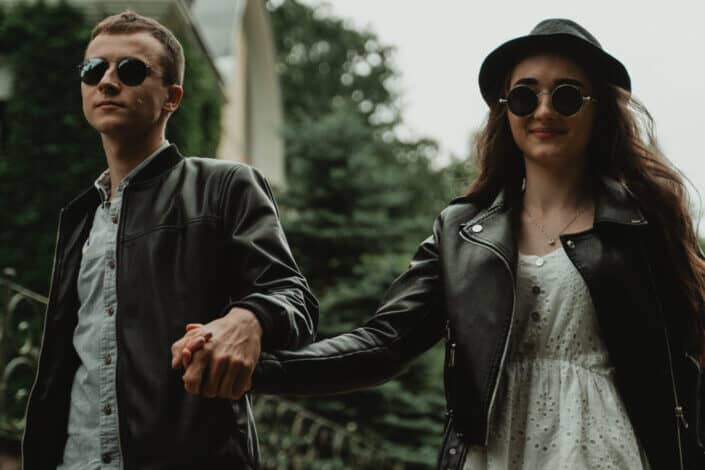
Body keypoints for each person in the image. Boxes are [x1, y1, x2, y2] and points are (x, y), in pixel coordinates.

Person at [177, 18, 705, 470]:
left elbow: (691, 356)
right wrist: (256, 368)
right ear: (507, 111)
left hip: (608, 451)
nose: (544, 109)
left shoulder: (643, 224)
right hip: (495, 453)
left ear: (598, 112)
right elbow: (383, 344)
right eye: (525, 95)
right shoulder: (461, 233)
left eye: (567, 95)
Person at [21, 10, 317, 470]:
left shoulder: (224, 186)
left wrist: (249, 318)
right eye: (93, 70)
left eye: (132, 70)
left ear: (172, 98)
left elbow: (292, 296)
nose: (108, 82)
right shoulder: (80, 217)